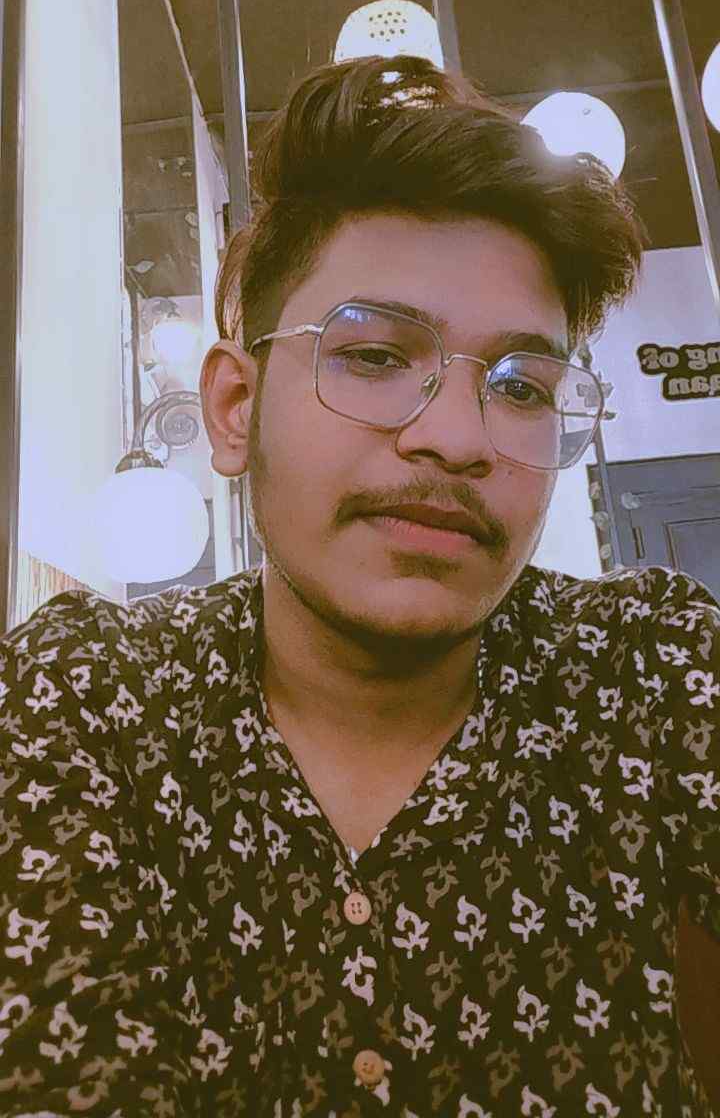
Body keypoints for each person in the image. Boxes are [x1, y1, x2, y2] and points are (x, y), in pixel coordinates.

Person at [1, 54, 718, 1118]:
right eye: (376, 355)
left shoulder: (653, 669)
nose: (459, 438)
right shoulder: (85, 697)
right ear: (234, 409)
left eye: (522, 387)